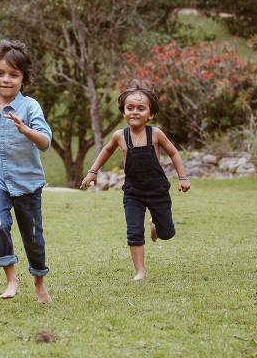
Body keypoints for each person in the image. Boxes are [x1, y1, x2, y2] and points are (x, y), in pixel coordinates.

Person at [0, 40, 53, 303]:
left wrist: (25, 130)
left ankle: (39, 283)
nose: (6, 80)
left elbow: (45, 141)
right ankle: (11, 279)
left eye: (13, 75)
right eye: (0, 73)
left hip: (27, 183)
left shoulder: (30, 107)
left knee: (34, 239)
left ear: (23, 78)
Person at [80, 81, 190, 280]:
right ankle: (140, 271)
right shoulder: (119, 136)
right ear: (123, 112)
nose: (135, 112)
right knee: (134, 231)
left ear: (151, 114)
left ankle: (155, 224)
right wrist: (92, 172)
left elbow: (174, 153)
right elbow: (105, 151)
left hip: (157, 191)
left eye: (141, 108)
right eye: (130, 108)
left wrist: (182, 178)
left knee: (167, 233)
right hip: (133, 193)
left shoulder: (155, 134)